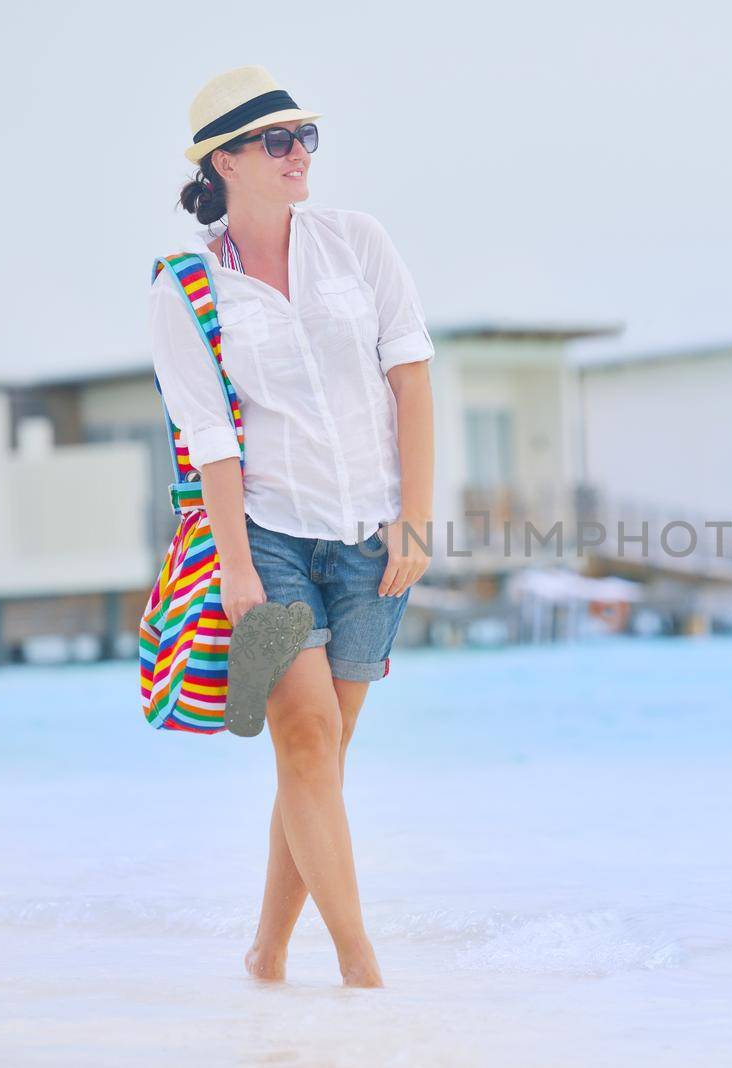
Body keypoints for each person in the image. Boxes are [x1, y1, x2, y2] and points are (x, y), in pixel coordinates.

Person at [148, 65, 436, 988]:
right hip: (267, 535)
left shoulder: (358, 243)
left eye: (304, 134)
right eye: (276, 141)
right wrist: (234, 565)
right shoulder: (187, 287)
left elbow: (413, 378)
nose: (298, 153)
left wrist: (416, 521)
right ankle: (362, 973)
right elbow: (208, 441)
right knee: (304, 737)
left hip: (368, 537)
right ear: (223, 161)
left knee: (324, 755)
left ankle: (266, 954)